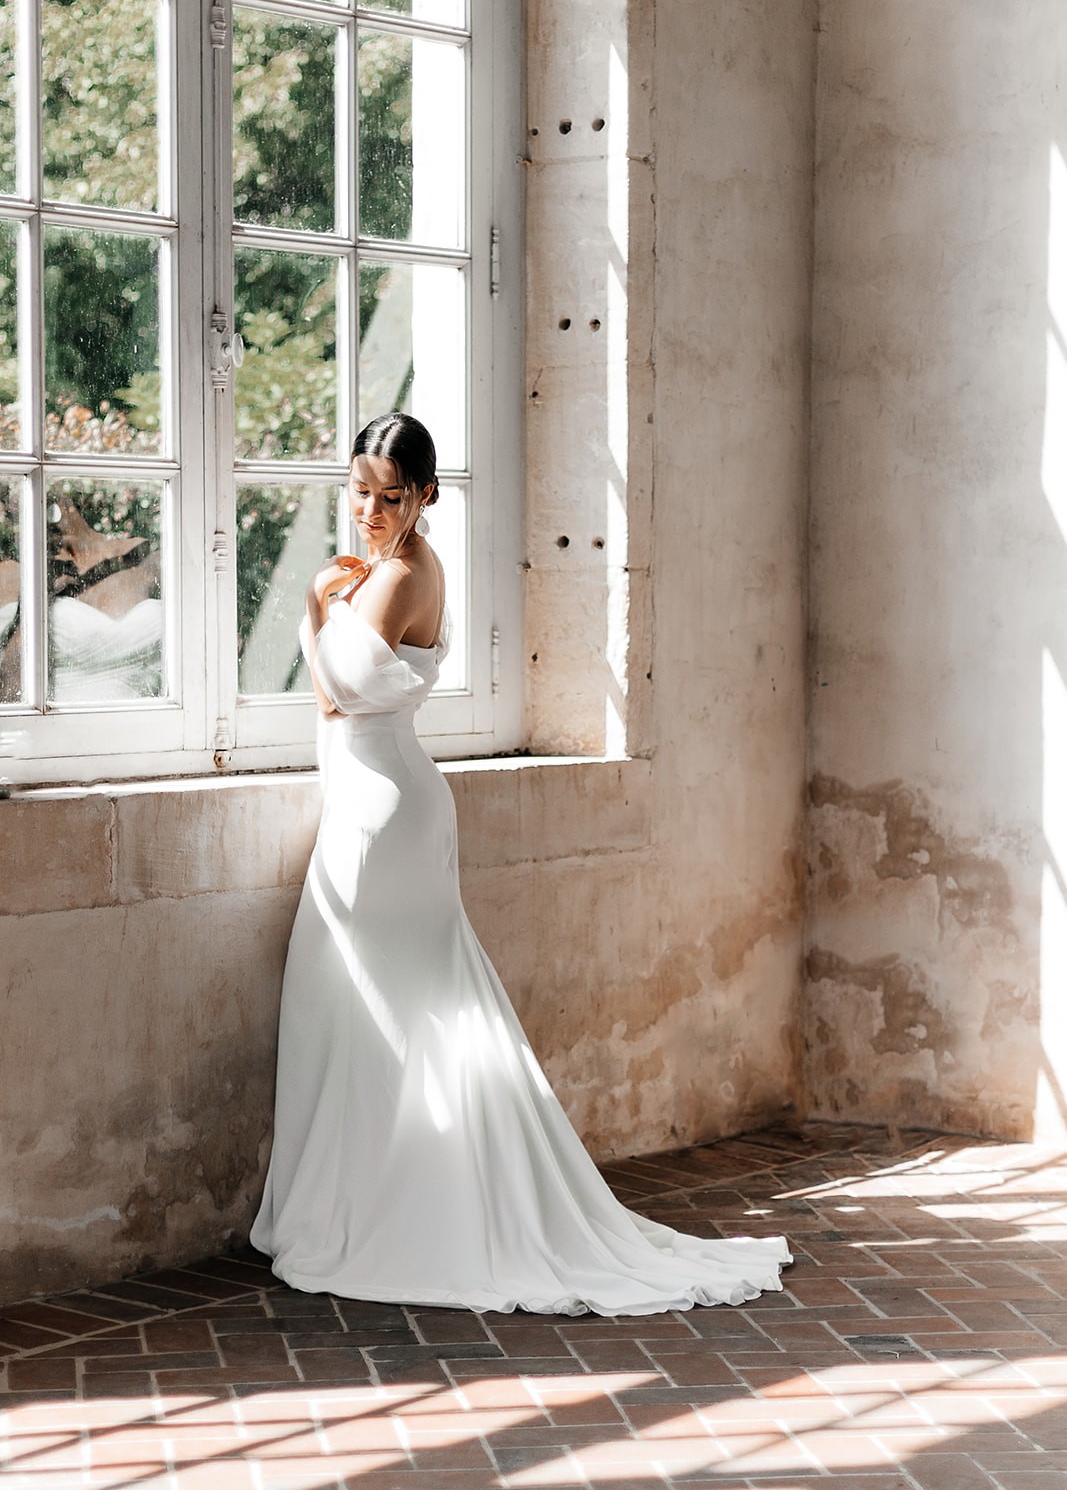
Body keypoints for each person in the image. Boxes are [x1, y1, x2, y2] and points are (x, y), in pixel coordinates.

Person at [251, 412, 791, 1315]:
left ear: (426, 496)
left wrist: (314, 602)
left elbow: (337, 697)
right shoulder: (388, 569)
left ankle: (399, 1212)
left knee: (388, 1016)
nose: (371, 513)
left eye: (393, 497)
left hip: (382, 819)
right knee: (351, 1009)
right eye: (359, 493)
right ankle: (356, 1199)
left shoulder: (398, 573)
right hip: (379, 809)